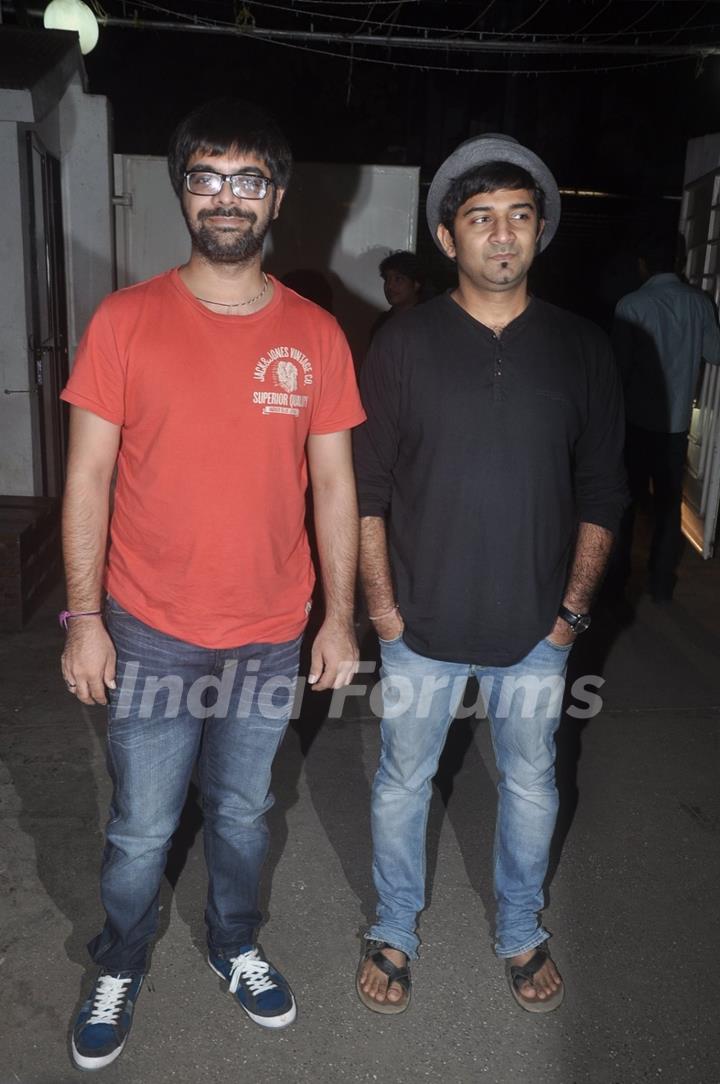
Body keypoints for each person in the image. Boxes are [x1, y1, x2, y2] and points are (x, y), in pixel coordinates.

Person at [60, 99, 365, 1070]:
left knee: (242, 814)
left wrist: (341, 619)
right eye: (207, 176)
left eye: (247, 179)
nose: (226, 197)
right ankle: (120, 956)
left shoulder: (315, 333)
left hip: (270, 632)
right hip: (147, 627)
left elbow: (333, 482)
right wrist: (83, 619)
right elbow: (89, 480)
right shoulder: (125, 320)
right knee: (143, 823)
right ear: (183, 191)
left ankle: (235, 943)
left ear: (276, 195)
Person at [353, 134, 627, 1015]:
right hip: (418, 632)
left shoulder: (584, 349)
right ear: (447, 238)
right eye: (480, 219)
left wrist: (571, 616)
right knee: (402, 783)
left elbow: (604, 490)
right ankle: (395, 926)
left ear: (540, 230)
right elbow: (368, 490)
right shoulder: (402, 343)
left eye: (518, 217)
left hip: (536, 636)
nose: (501, 236)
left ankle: (520, 928)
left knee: (533, 782)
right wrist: (384, 615)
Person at [612, 236, 720, 602]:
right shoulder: (698, 303)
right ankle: (660, 583)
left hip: (636, 421)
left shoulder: (632, 304)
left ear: (643, 263)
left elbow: (620, 366)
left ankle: (616, 582)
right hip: (675, 425)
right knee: (669, 508)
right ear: (679, 260)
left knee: (625, 503)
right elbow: (715, 353)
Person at [370, 250, 424, 338]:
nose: (390, 286)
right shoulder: (382, 322)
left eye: (398, 279)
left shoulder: (428, 320)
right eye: (387, 279)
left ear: (416, 284)